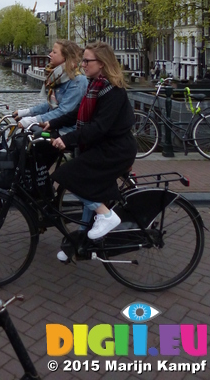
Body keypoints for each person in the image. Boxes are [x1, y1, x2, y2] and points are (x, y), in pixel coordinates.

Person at [42, 41, 137, 260]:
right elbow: (77, 114)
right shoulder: (96, 86)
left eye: (87, 60)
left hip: (116, 150)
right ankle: (82, 245)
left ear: (101, 63)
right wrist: (53, 124)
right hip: (103, 147)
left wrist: (67, 139)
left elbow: (99, 128)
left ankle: (107, 216)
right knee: (89, 189)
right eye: (83, 60)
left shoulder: (113, 91)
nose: (82, 64)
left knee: (67, 176)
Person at [12, 40, 88, 196]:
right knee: (24, 144)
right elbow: (50, 105)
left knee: (36, 146)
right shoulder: (61, 77)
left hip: (69, 129)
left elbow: (63, 111)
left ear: (65, 57)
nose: (50, 55)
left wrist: (31, 120)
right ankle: (35, 184)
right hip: (58, 126)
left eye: (54, 52)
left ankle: (43, 189)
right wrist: (26, 112)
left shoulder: (77, 80)